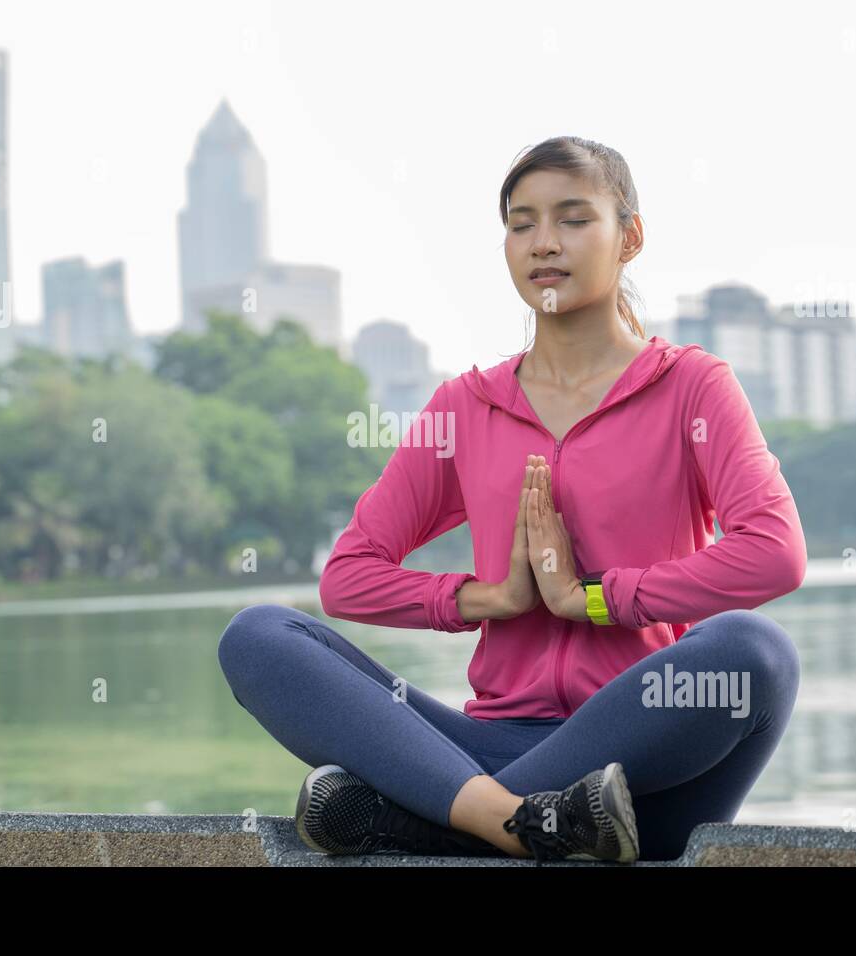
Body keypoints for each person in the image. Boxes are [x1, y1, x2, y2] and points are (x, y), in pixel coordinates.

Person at [218, 135, 806, 864]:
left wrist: (593, 598)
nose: (543, 243)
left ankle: (444, 827)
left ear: (630, 236)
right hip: (487, 739)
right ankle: (524, 825)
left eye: (572, 218)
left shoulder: (692, 387)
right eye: (521, 222)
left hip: (634, 763)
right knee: (259, 636)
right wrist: (488, 598)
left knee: (757, 654)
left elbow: (775, 554)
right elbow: (348, 577)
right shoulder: (465, 407)